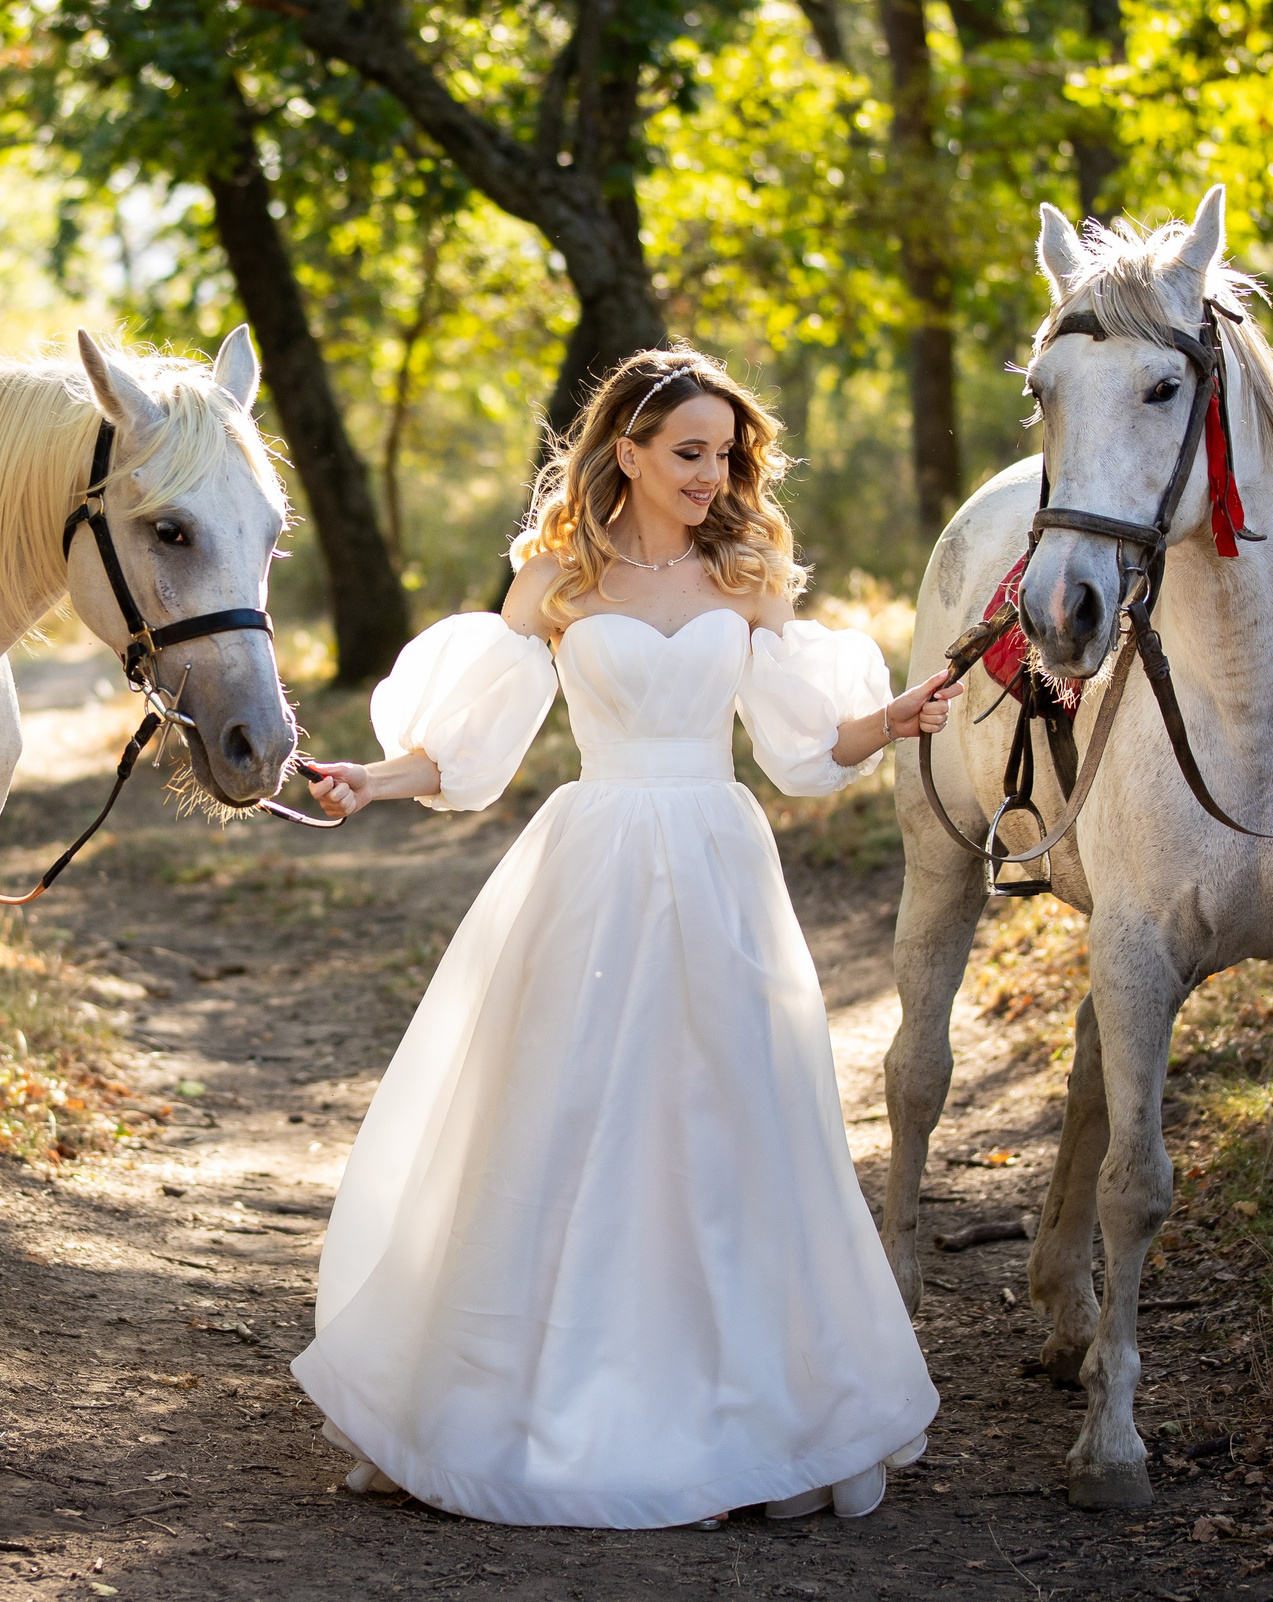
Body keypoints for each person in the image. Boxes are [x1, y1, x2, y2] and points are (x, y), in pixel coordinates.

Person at [288, 348, 960, 1529]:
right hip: (590, 856)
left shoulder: (747, 575)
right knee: (564, 1107)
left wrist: (889, 722)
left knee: (729, 1109)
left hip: (715, 857)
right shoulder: (557, 577)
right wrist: (374, 782)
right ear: (628, 452)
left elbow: (803, 749)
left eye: (724, 454)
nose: (711, 475)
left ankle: (752, 1404)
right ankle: (520, 1396)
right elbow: (472, 747)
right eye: (688, 452)